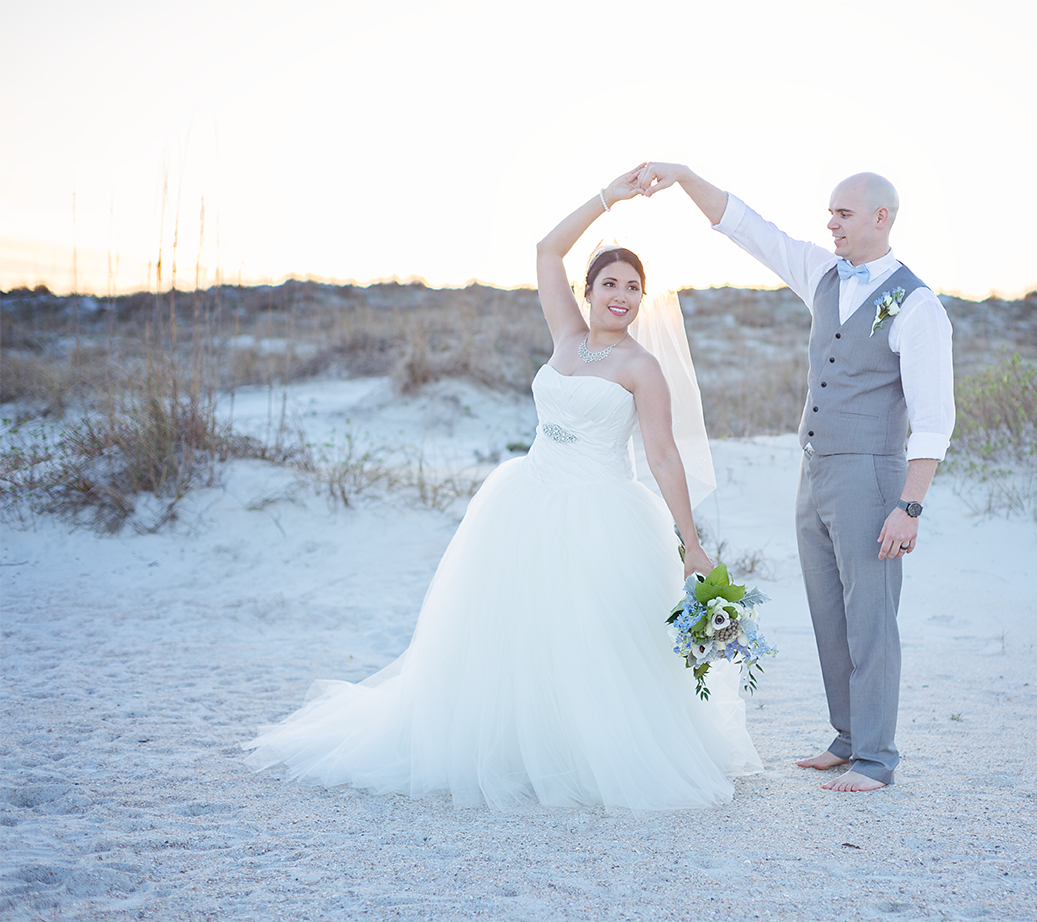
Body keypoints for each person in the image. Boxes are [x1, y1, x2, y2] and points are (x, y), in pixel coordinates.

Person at [243, 165, 762, 810]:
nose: (621, 295)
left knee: (592, 640)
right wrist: (609, 197)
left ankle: (589, 754)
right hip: (527, 499)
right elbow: (546, 249)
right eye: (609, 284)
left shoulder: (641, 366)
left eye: (633, 287)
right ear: (589, 289)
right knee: (517, 634)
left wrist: (691, 544)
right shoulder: (567, 338)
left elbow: (661, 454)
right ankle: (523, 748)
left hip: (603, 512)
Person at [638, 163, 955, 792]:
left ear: (880, 218)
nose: (830, 222)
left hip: (871, 476)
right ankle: (847, 737)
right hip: (814, 474)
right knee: (828, 615)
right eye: (830, 213)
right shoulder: (822, 274)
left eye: (842, 213)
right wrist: (682, 177)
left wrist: (909, 507)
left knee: (871, 617)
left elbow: (934, 419)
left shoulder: (919, 307)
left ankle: (876, 758)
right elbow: (749, 228)